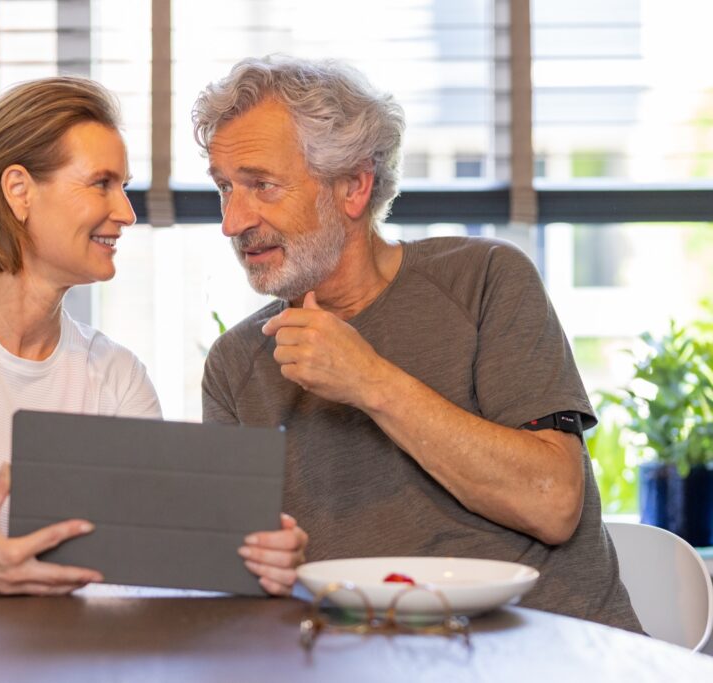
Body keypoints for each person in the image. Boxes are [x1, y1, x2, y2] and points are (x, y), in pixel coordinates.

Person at [0, 76, 306, 597]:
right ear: (19, 191)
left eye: (125, 188)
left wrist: (251, 556)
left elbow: (158, 556)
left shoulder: (117, 378)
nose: (126, 213)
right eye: (101, 183)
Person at [192, 56, 642, 631]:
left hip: (553, 649)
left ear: (354, 186)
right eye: (225, 188)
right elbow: (240, 580)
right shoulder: (236, 366)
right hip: (354, 664)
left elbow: (552, 503)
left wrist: (369, 380)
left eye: (261, 185)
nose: (233, 221)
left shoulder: (484, 279)